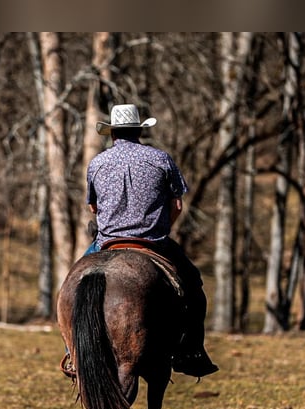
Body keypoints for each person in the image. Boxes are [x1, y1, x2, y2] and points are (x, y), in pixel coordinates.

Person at [84, 103, 218, 378]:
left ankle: (72, 353)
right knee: (193, 284)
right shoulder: (160, 159)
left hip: (107, 242)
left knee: (73, 286)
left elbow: (93, 209)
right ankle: (191, 350)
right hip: (152, 242)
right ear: (139, 131)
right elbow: (177, 205)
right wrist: (162, 228)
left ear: (112, 134)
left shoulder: (97, 163)